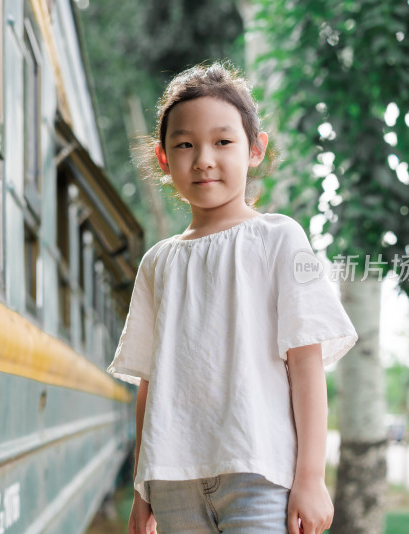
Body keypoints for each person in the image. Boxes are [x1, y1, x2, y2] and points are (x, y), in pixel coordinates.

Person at [107, 61, 358, 534]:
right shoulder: (157, 263)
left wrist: (310, 477)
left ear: (255, 149)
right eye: (185, 144)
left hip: (260, 473)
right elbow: (148, 382)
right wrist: (143, 490)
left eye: (223, 142)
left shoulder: (279, 238)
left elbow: (306, 362)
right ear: (163, 159)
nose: (204, 158)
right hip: (173, 481)